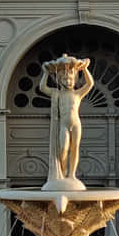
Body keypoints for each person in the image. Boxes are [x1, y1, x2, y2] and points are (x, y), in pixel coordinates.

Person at [40, 54, 95, 190]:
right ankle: (62, 174)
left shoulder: (77, 93)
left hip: (76, 124)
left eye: (71, 79)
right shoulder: (56, 93)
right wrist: (46, 73)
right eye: (65, 79)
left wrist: (85, 70)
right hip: (63, 124)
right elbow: (42, 87)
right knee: (63, 149)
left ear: (74, 80)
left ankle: (72, 175)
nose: (69, 81)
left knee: (75, 148)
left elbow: (90, 84)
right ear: (60, 80)